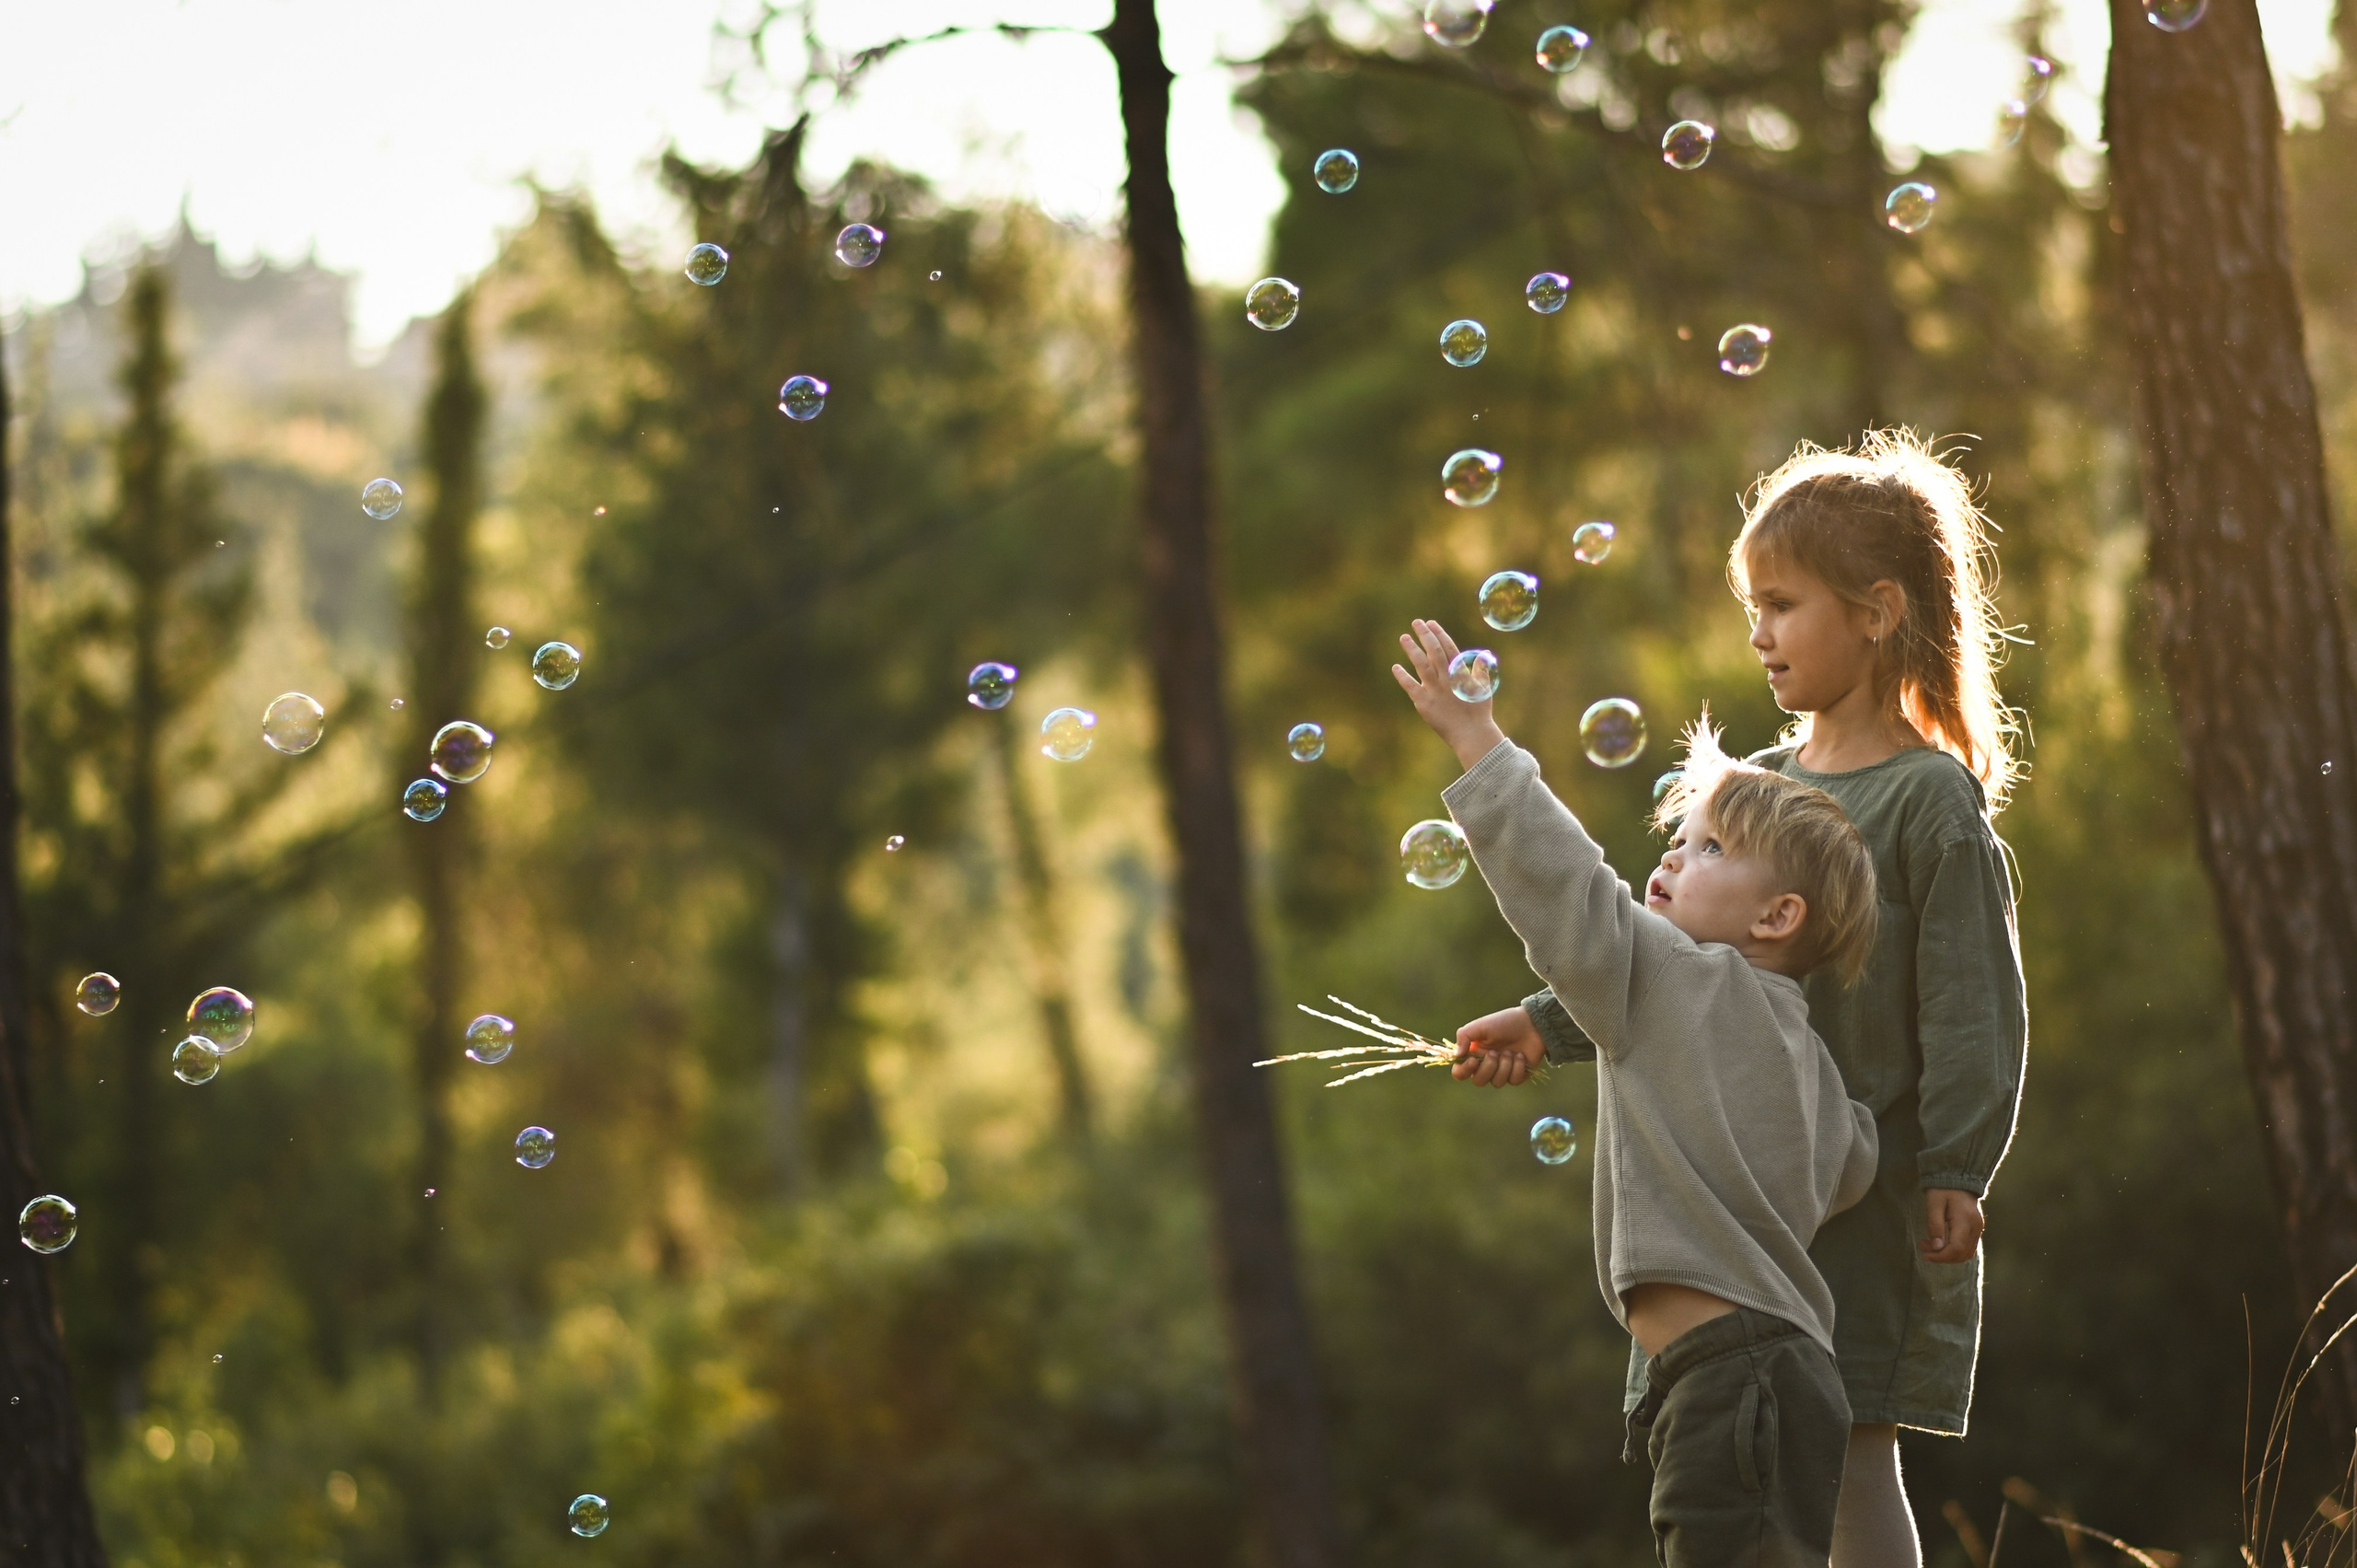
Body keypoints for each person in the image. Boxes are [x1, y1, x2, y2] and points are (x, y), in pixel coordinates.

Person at [1457, 430, 2029, 1568]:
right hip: (1732, 1182)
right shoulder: (1757, 789)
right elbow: (1661, 958)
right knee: (1736, 1452)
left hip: (1860, 1194)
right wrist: (1547, 1019)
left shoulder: (1929, 802)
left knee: (1856, 1442)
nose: (1758, 631)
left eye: (1782, 602)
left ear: (1874, 610)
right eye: (1750, 605)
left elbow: (1974, 1004)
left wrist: (1959, 1161)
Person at [1394, 615, 1880, 1567]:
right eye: (1679, 838)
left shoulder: (1669, 976)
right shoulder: (1809, 1062)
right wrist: (1553, 1020)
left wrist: (1476, 742)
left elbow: (1570, 892)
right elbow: (1853, 1162)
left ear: (1778, 914)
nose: (1666, 858)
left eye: (1705, 849)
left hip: (1727, 1375)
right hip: (1787, 1374)